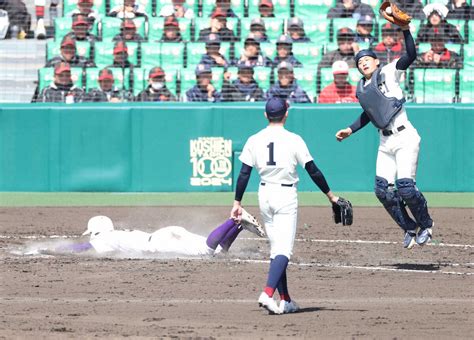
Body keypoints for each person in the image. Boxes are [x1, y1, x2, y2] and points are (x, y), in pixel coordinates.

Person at [231, 97, 341, 314]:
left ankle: (286, 300)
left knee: (276, 249)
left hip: (264, 194)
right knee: (284, 250)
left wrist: (237, 202)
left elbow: (244, 173)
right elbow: (313, 170)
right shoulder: (294, 139)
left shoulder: (254, 139)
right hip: (285, 194)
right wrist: (330, 196)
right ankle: (267, 293)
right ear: (286, 113)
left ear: (265, 115)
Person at [335, 25, 434, 250]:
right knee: (382, 190)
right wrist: (350, 130)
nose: (363, 63)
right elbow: (370, 114)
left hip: (404, 136)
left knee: (406, 188)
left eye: (367, 59)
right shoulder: (362, 88)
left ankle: (426, 225)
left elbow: (411, 55)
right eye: (359, 62)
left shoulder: (389, 71)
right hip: (385, 141)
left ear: (376, 61)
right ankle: (410, 227)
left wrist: (406, 30)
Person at [65, 210, 264, 255]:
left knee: (206, 251)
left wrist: (51, 249)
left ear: (96, 231)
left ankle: (234, 219)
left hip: (162, 242)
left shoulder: (105, 238)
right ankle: (238, 225)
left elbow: (81, 247)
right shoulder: (115, 234)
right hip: (165, 235)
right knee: (218, 251)